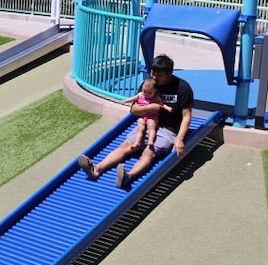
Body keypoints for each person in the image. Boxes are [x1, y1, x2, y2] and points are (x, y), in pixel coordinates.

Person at [78, 54, 194, 191]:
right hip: (147, 123)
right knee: (127, 145)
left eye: (159, 75)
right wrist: (148, 108)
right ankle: (97, 168)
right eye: (153, 73)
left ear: (169, 73)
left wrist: (179, 139)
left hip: (168, 130)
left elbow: (187, 116)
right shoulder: (148, 84)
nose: (155, 78)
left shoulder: (182, 88)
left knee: (149, 151)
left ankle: (128, 176)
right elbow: (134, 109)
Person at [121, 77, 171, 150]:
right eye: (145, 91)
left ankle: (150, 140)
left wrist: (167, 108)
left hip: (152, 116)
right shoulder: (141, 95)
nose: (146, 94)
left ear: (155, 91)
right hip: (143, 115)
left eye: (149, 92)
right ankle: (137, 142)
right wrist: (126, 101)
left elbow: (162, 104)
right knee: (140, 128)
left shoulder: (156, 97)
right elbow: (133, 98)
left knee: (151, 127)